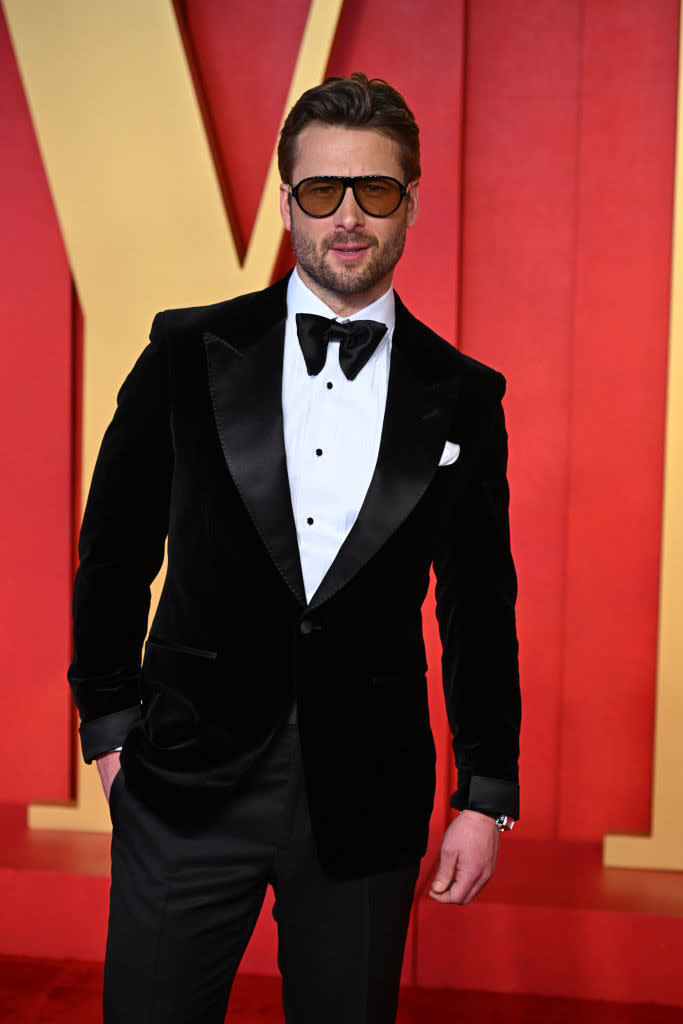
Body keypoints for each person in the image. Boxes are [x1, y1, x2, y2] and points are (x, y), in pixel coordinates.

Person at [68, 72, 521, 1024]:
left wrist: (485, 794)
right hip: (183, 783)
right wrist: (109, 726)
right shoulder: (186, 354)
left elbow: (478, 607)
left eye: (375, 190)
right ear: (287, 202)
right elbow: (113, 550)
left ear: (409, 203)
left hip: (366, 800)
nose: (346, 217)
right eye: (322, 191)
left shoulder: (464, 396)